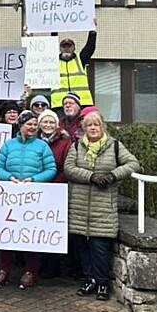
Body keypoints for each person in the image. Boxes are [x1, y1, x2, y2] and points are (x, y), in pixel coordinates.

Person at [64, 111, 140, 300]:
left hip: (103, 206)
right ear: (84, 128)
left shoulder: (114, 146)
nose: (93, 128)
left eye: (96, 125)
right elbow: (69, 169)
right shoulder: (77, 146)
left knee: (100, 247)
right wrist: (91, 177)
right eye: (89, 125)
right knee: (81, 246)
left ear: (102, 126)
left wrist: (113, 175)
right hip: (79, 206)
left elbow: (133, 163)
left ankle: (102, 283)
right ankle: (89, 279)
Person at [0, 110, 57, 289]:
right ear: (21, 125)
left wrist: (34, 179)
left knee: (31, 234)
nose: (33, 127)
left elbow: (51, 169)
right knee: (7, 233)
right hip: (11, 196)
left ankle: (30, 272)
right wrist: (8, 177)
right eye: (29, 124)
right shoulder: (8, 145)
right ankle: (4, 269)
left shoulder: (42, 146)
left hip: (33, 197)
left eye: (35, 125)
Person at [36, 109, 74, 279]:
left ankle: (53, 266)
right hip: (37, 189)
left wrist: (53, 184)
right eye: (45, 122)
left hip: (56, 189)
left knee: (52, 228)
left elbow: (67, 166)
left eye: (52, 122)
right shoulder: (34, 140)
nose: (48, 125)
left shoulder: (65, 142)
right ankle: (38, 265)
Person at [50, 32, 96, 110]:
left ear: (74, 48)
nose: (66, 49)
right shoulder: (53, 62)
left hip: (82, 103)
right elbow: (51, 44)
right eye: (64, 46)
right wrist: (53, 30)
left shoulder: (80, 59)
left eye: (69, 46)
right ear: (60, 48)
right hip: (60, 104)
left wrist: (92, 32)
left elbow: (90, 47)